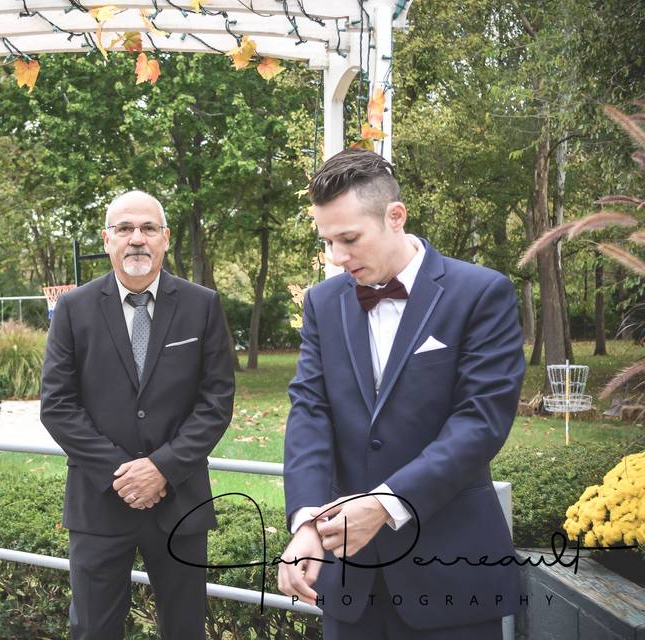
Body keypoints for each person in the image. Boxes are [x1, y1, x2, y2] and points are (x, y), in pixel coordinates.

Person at [277, 148, 525, 639]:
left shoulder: (481, 293)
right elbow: (309, 411)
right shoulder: (323, 303)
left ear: (395, 216)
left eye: (349, 238)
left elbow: (479, 421)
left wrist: (387, 503)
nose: (337, 257)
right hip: (348, 581)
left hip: (452, 575)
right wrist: (306, 520)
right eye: (328, 241)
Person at [40, 190, 236, 640]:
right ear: (107, 239)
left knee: (186, 629)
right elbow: (57, 404)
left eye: (148, 228)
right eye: (125, 229)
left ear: (165, 239)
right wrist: (122, 474)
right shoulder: (73, 309)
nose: (137, 239)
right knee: (93, 629)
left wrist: (162, 468)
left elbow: (216, 400)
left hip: (180, 502)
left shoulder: (201, 305)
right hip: (100, 502)